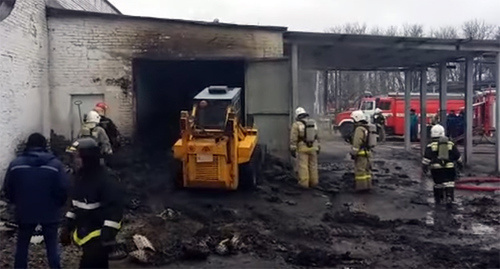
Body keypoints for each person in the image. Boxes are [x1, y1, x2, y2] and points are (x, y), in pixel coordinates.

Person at [2, 133, 69, 269]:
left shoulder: (15, 165)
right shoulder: (56, 165)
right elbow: (63, 189)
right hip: (50, 213)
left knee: (22, 247)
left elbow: (7, 189)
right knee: (52, 247)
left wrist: (17, 203)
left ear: (28, 145)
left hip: (25, 212)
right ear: (45, 146)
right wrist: (58, 205)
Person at [60, 137, 124, 269]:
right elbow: (75, 204)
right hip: (85, 231)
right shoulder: (79, 177)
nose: (74, 161)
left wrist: (107, 235)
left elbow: (115, 210)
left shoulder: (106, 179)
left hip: (97, 235)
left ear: (88, 158)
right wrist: (67, 227)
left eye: (77, 157)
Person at [422, 124, 463, 206]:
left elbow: (426, 159)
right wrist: (460, 165)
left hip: (436, 169)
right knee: (450, 183)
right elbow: (457, 156)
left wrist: (424, 168)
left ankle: (438, 200)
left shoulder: (430, 146)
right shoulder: (450, 144)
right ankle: (449, 197)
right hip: (449, 168)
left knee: (438, 184)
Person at [289, 107, 320, 188]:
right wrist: (318, 146)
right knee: (313, 165)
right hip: (313, 147)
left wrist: (293, 148)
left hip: (303, 148)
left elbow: (293, 138)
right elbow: (317, 136)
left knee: (303, 166)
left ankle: (304, 184)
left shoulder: (296, 125)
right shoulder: (313, 123)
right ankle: (314, 182)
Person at [350, 110, 372, 191]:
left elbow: (357, 142)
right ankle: (368, 186)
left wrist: (353, 153)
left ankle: (361, 188)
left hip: (361, 153)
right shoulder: (366, 127)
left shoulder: (359, 129)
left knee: (360, 171)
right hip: (367, 152)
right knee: (367, 171)